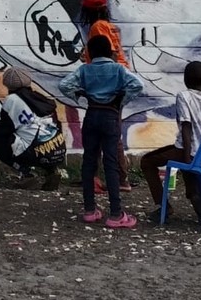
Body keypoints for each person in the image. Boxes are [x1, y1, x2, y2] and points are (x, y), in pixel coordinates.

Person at [59, 35, 143, 228]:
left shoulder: (85, 69)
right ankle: (116, 213)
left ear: (90, 52)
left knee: (89, 162)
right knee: (110, 163)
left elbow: (64, 85)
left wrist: (79, 95)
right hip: (110, 116)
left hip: (92, 114)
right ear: (109, 51)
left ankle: (90, 210)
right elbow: (138, 85)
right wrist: (121, 101)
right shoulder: (118, 69)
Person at [140, 61, 201, 223]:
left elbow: (187, 126)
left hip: (186, 151)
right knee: (191, 186)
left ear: (185, 80)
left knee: (147, 161)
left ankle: (163, 206)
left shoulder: (184, 96)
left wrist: (187, 157)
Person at [79, 0, 132, 192]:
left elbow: (107, 55)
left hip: (108, 84)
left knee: (104, 130)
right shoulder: (109, 26)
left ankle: (116, 178)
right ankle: (114, 178)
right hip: (117, 81)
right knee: (109, 130)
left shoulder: (97, 27)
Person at [0, 67, 66, 191]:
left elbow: (5, 128)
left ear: (7, 84)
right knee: (35, 136)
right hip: (58, 148)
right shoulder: (40, 98)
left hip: (35, 150)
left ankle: (26, 173)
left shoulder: (12, 100)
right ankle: (52, 171)